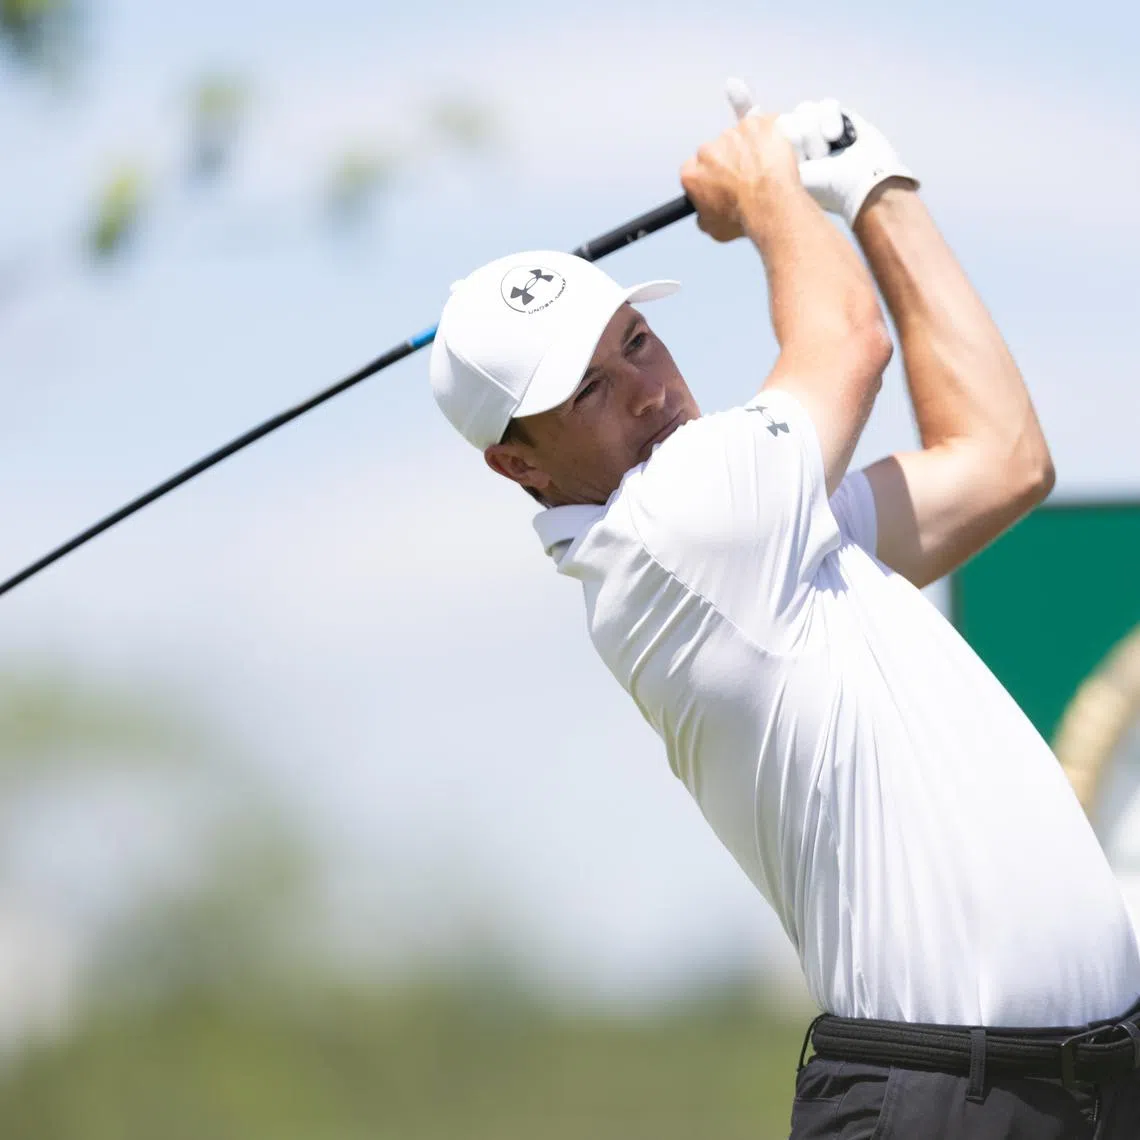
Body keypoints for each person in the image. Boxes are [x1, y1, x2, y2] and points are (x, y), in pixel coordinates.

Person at [428, 89, 1140, 1138]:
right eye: (586, 390)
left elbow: (1001, 461)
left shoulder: (763, 536)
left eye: (635, 339)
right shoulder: (676, 527)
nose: (645, 388)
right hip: (941, 1101)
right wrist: (773, 193)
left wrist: (874, 188)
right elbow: (849, 340)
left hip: (1074, 1090)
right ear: (516, 464)